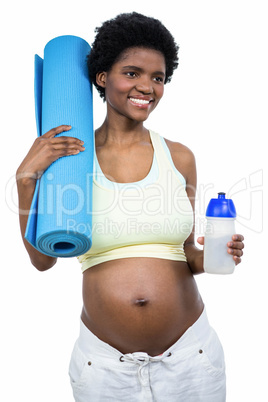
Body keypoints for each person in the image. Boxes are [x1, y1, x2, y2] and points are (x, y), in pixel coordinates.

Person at [16, 12, 244, 402]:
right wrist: (26, 180)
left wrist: (216, 256)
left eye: (158, 78)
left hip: (191, 359)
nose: (147, 88)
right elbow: (43, 261)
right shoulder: (69, 161)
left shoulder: (179, 157)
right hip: (105, 367)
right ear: (103, 77)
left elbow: (187, 253)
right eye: (133, 73)